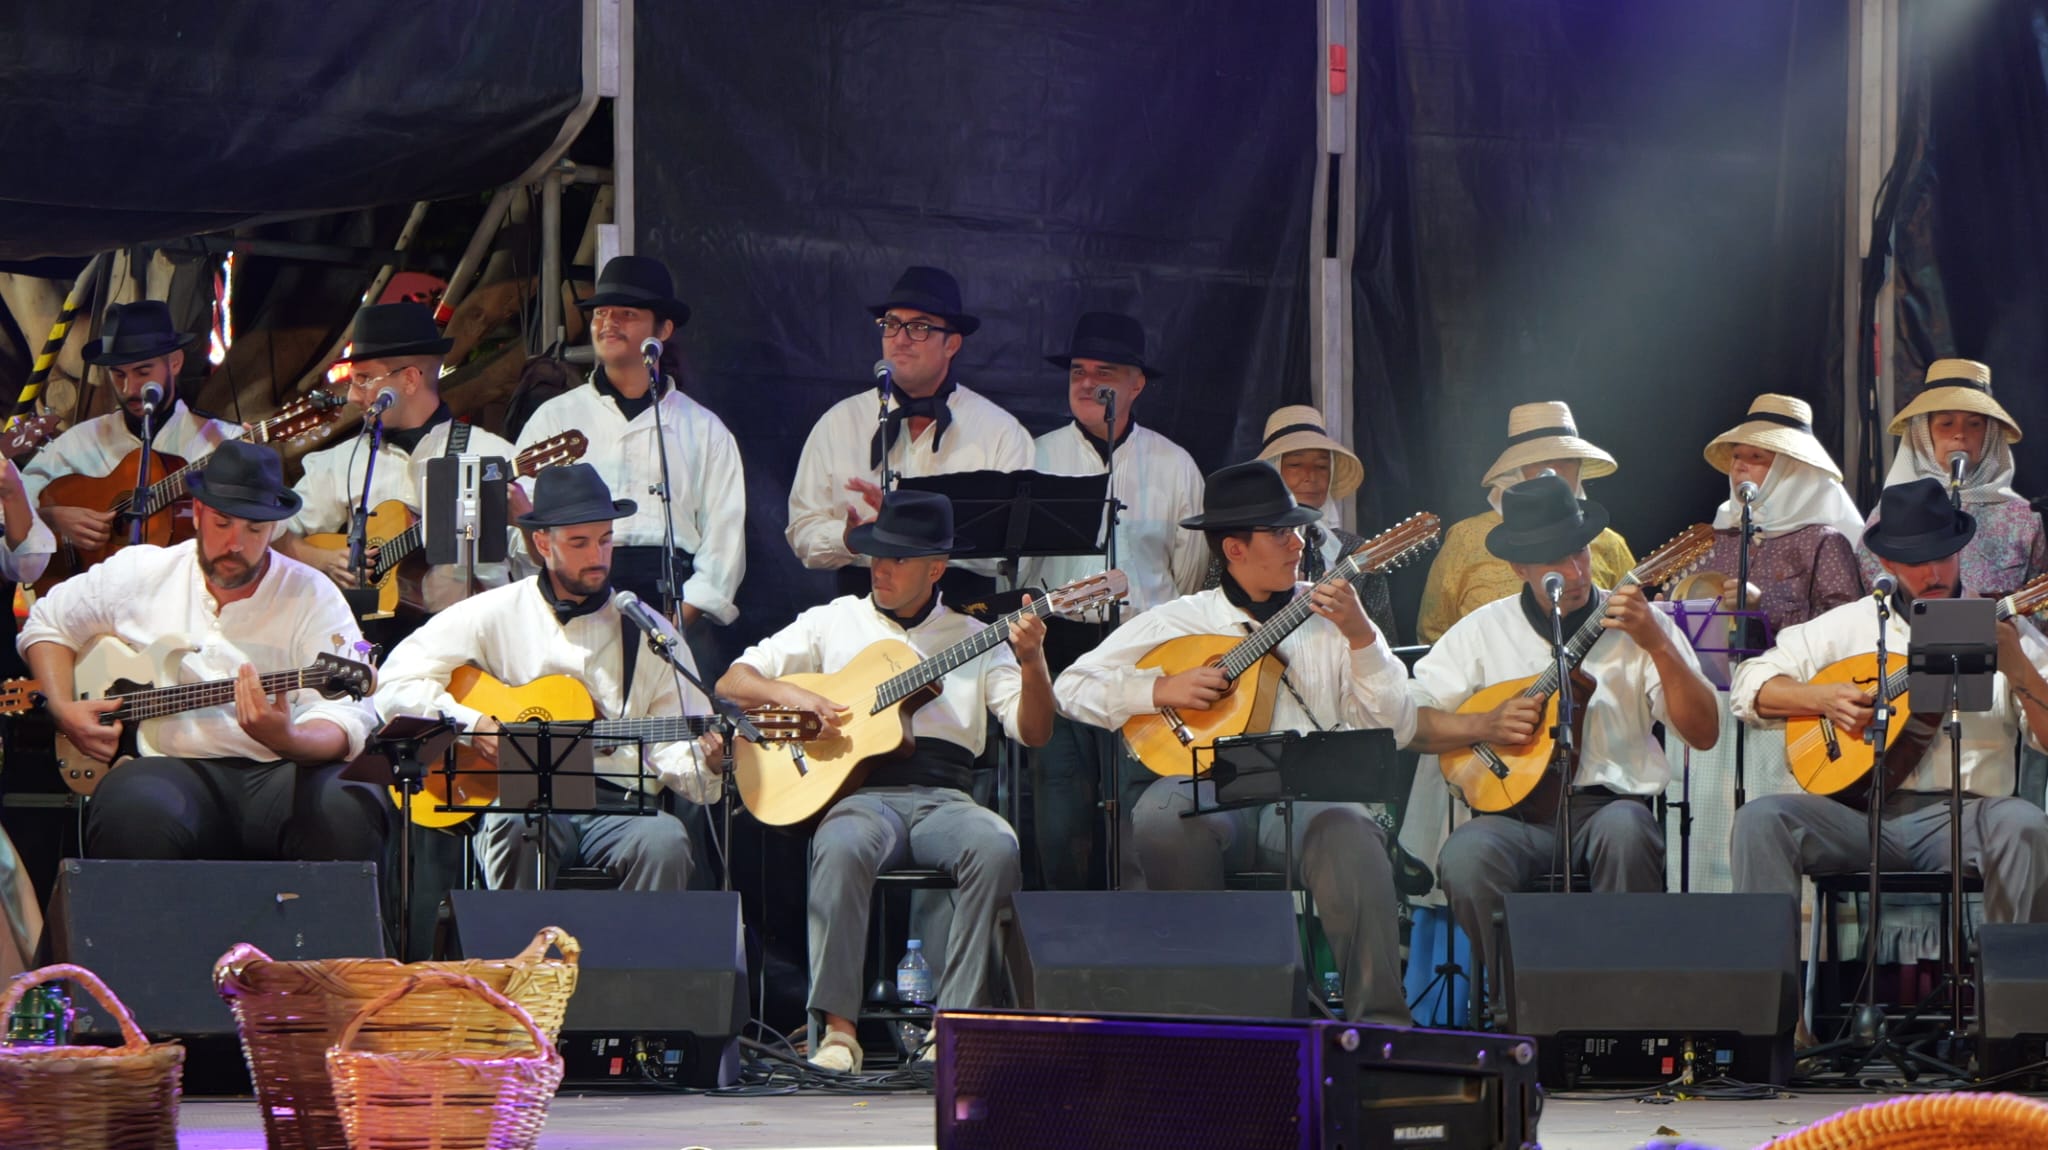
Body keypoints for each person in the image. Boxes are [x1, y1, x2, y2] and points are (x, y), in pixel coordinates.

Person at [1055, 461, 1417, 1026]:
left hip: (1303, 801)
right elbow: (1070, 687)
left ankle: (1380, 1029)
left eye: (1296, 530)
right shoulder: (1181, 620)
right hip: (1209, 792)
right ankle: (1213, 1019)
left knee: (1350, 832)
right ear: (1234, 548)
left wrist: (1362, 636)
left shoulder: (1335, 617)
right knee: (1162, 816)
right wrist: (1160, 688)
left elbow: (1399, 727)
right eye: (1280, 533)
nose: (1297, 544)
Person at [717, 490, 1052, 1073]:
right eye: (877, 555)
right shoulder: (833, 620)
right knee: (841, 844)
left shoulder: (974, 635)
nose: (881, 568)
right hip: (863, 795)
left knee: (996, 846)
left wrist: (1032, 663)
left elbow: (1034, 731)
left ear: (937, 568)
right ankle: (838, 1034)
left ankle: (952, 1028)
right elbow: (732, 681)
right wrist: (793, 693)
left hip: (947, 795)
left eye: (898, 559)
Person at [1406, 474, 1720, 1007]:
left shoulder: (1643, 624)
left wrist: (1659, 645)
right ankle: (1522, 1004)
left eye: (1580, 554)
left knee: (1626, 833)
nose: (1575, 573)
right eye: (1556, 562)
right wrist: (1482, 725)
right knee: (1465, 856)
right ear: (1519, 569)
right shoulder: (1482, 631)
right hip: (1513, 818)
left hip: (1609, 808)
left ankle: (1623, 1008)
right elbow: (1410, 721)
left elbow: (1705, 732)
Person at [19, 440, 385, 862]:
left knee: (349, 804)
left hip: (283, 772)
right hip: (169, 766)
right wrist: (62, 707)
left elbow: (347, 716)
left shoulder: (312, 593)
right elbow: (48, 623)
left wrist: (290, 738)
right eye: (223, 523)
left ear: (274, 529)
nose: (235, 544)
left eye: (254, 529)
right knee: (133, 808)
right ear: (196, 513)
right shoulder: (143, 571)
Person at [374, 464, 716, 890]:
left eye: (605, 540)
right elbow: (395, 682)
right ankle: (510, 956)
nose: (597, 557)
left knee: (665, 839)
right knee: (517, 824)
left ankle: (636, 957)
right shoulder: (493, 612)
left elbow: (678, 752)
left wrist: (711, 760)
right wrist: (472, 725)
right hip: (519, 799)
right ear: (542, 542)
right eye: (579, 543)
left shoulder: (650, 632)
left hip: (617, 805)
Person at [1731, 478, 2048, 932]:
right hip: (1856, 818)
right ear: (1886, 562)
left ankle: (2009, 993)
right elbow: (1749, 686)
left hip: (1963, 818)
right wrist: (1820, 698)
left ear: (1961, 550)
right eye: (1915, 562)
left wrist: (2018, 669)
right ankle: (1768, 1000)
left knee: (2026, 826)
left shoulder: (2004, 630)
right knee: (1761, 821)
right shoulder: (1848, 627)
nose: (1933, 573)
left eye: (1942, 556)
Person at [1020, 311, 1204, 890]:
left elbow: (1190, 575)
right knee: (1059, 813)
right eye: (1077, 370)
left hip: (1145, 652)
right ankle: (1067, 949)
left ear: (1136, 383)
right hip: (1061, 652)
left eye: (1104, 371)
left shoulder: (1174, 464)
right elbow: (1020, 568)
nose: (1085, 381)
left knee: (1136, 805)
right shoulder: (1034, 456)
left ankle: (1143, 951)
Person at [1668, 394, 1866, 893]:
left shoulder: (1823, 541)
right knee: (1709, 841)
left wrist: (1763, 617)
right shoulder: (1719, 539)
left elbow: (1843, 638)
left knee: (1766, 837)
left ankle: (1777, 951)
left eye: (1757, 456)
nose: (1741, 466)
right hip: (1714, 716)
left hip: (1784, 720)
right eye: (1738, 455)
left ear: (1792, 469)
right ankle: (1708, 939)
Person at [515, 256, 746, 638]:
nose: (608, 323)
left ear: (664, 329)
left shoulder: (704, 429)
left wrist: (673, 624)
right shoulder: (554, 418)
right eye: (601, 313)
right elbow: (523, 528)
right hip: (575, 598)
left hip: (671, 596)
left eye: (626, 313)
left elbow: (724, 542)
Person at [274, 303, 524, 649]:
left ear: (408, 379)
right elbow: (272, 533)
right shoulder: (340, 462)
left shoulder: (492, 458)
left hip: (470, 648)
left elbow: (539, 569)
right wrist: (319, 558)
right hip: (365, 649)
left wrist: (526, 520)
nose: (353, 396)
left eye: (364, 380)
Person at [785, 267, 1032, 599]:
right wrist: (850, 538)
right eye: (891, 324)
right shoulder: (839, 423)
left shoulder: (999, 432)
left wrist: (920, 534)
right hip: (862, 612)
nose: (899, 338)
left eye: (919, 327)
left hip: (962, 616)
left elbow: (1016, 553)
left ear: (952, 344)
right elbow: (803, 531)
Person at [25, 300, 237, 558]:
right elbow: (11, 505)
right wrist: (50, 518)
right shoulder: (82, 440)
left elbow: (270, 526)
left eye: (143, 372)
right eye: (119, 375)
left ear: (175, 362)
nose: (129, 390)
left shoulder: (225, 442)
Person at [1415, 401, 1636, 644]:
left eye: (1568, 461)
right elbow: (1434, 631)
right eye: (1541, 463)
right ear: (1516, 472)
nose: (1556, 471)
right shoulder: (1466, 538)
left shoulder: (1609, 542)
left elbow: (1635, 623)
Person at [1857, 359, 2045, 599]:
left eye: (1974, 424)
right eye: (1946, 424)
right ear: (1923, 434)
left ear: (1989, 436)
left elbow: (2040, 608)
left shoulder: (2023, 518)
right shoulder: (1889, 516)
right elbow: (1871, 596)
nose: (1960, 434)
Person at [1212, 405, 1400, 642]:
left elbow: (1385, 641)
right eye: (1295, 465)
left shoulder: (1356, 550)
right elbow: (1214, 619)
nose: (1310, 475)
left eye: (1322, 466)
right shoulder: (1243, 543)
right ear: (1273, 469)